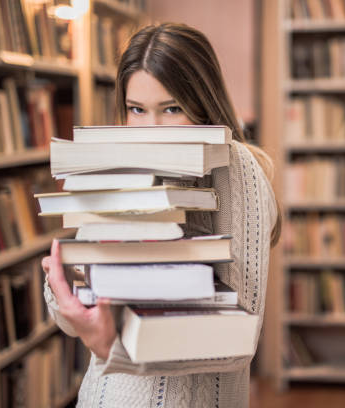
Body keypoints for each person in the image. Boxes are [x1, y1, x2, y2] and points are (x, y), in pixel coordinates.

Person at [41, 23, 280, 407]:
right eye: (137, 109)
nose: (150, 130)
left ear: (202, 102)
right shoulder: (120, 163)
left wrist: (114, 344)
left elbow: (239, 343)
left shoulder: (237, 168)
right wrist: (65, 287)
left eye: (171, 109)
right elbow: (78, 314)